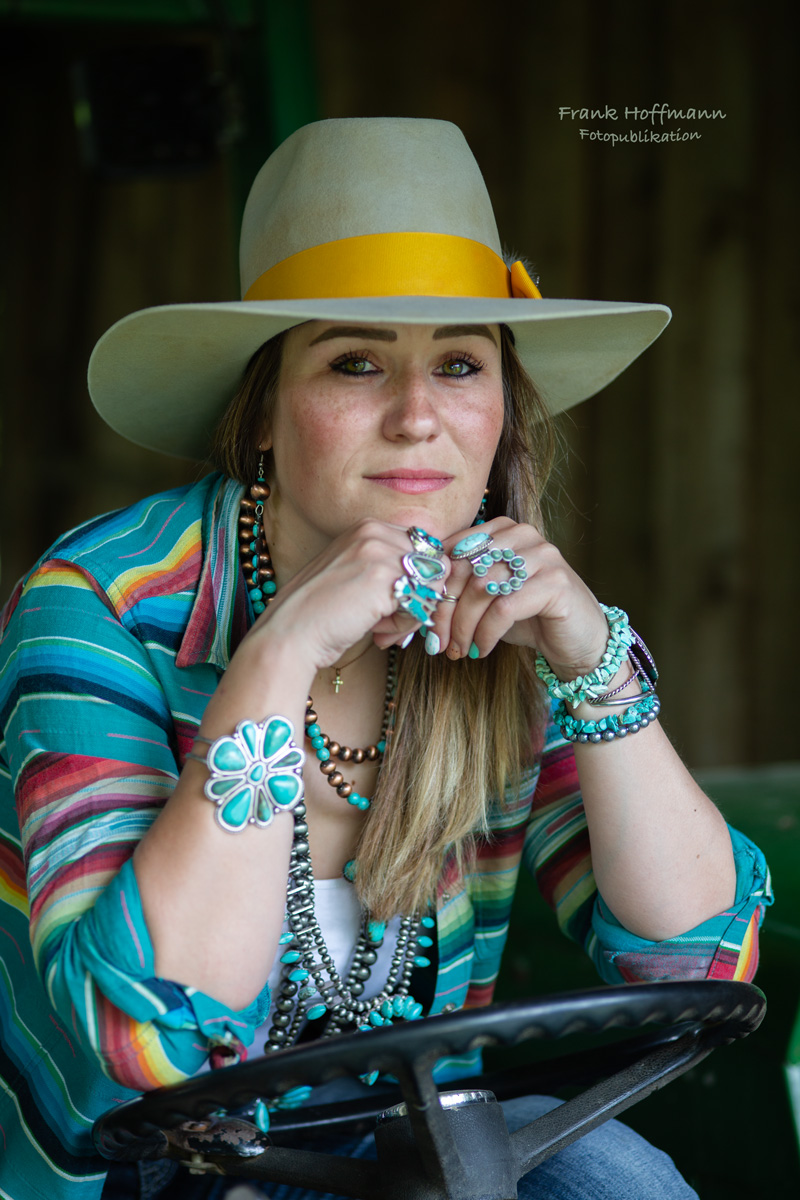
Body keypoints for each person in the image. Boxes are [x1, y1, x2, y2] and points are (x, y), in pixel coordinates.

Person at [0, 117, 771, 1200]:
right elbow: (146, 1042)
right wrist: (280, 649)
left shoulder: (502, 617)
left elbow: (690, 963)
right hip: (149, 1174)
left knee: (611, 1174)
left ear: (502, 418)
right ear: (263, 411)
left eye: (459, 363)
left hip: (418, 1151)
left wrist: (594, 661)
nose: (417, 418)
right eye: (355, 361)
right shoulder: (101, 608)